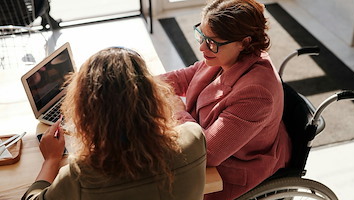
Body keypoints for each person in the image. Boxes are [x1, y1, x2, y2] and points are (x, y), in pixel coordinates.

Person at [22, 47, 207, 200]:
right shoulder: (194, 137)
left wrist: (51, 160)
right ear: (154, 96)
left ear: (86, 111)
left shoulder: (81, 175)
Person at [159, 0, 292, 199]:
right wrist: (136, 83)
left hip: (232, 171)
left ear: (245, 42)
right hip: (209, 144)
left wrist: (175, 106)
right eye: (201, 36)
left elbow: (208, 154)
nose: (202, 47)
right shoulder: (224, 54)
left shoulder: (256, 93)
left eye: (211, 42)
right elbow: (185, 77)